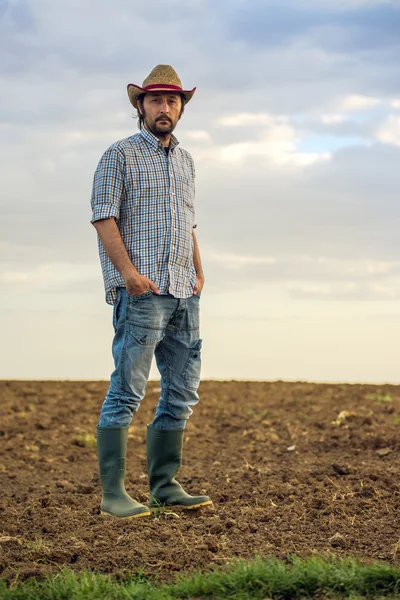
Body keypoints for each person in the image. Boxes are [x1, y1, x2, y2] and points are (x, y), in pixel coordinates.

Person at [90, 65, 212, 519]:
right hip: (142, 293)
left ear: (181, 108)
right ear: (140, 106)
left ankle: (164, 485)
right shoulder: (118, 155)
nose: (165, 108)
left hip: (185, 292)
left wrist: (199, 272)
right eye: (157, 100)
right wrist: (129, 276)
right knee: (128, 389)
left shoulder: (186, 160)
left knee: (181, 390)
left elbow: (189, 221)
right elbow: (104, 218)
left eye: (173, 101)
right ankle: (113, 495)